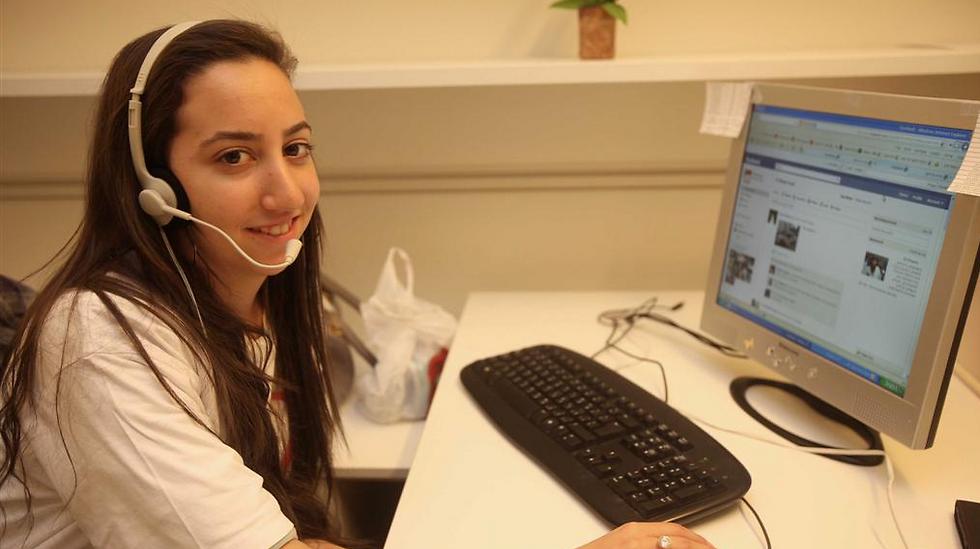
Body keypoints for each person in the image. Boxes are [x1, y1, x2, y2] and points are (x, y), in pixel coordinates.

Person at [0, 20, 716, 549]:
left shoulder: (253, 295)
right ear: (153, 185)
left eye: (296, 148)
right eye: (234, 157)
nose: (287, 193)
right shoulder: (99, 344)